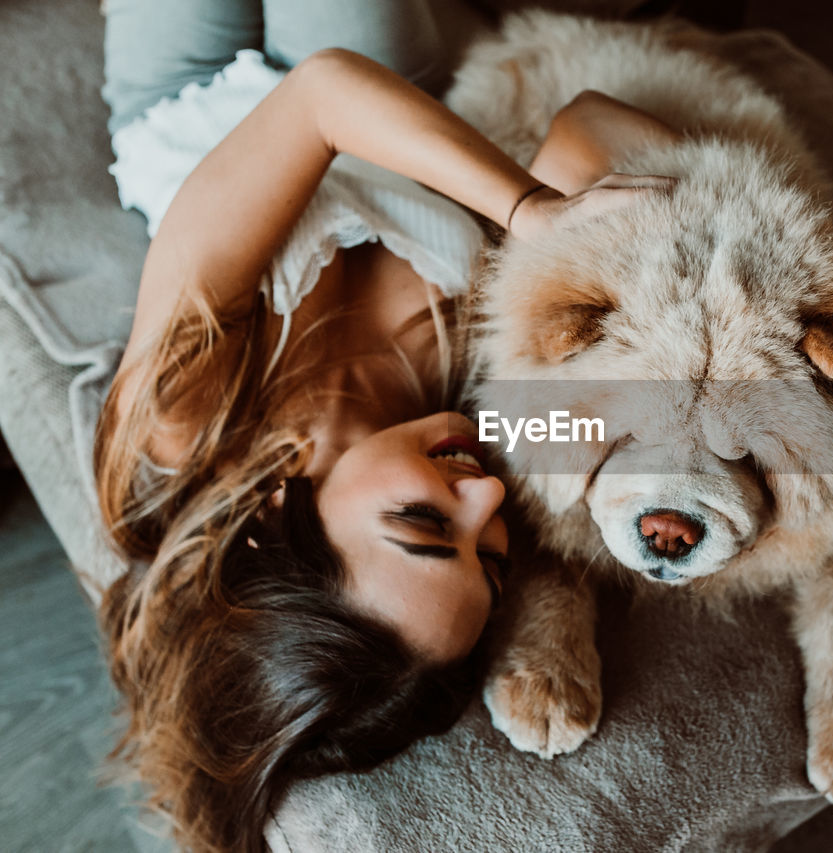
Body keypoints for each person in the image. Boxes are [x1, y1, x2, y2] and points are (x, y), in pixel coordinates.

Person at [92, 2, 679, 850]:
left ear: (275, 525)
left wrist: (528, 214)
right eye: (493, 549)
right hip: (389, 103)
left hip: (188, 100)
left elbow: (318, 98)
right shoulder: (468, 389)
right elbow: (591, 125)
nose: (480, 493)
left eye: (426, 523)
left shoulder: (186, 412)